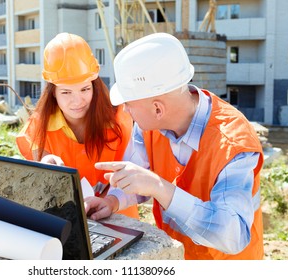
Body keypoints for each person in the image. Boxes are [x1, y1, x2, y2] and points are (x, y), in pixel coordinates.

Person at [84, 33, 264, 259]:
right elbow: (137, 177)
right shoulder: (148, 124)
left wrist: (160, 188)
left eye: (129, 104)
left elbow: (233, 235)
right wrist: (112, 200)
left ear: (158, 109)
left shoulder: (233, 144)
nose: (126, 111)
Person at [16, 32, 139, 219]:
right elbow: (40, 169)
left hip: (118, 215)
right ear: (53, 93)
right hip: (69, 218)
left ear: (95, 86)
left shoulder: (119, 119)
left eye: (85, 89)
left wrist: (110, 201)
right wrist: (45, 165)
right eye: (66, 92)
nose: (77, 101)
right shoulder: (39, 126)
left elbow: (133, 168)